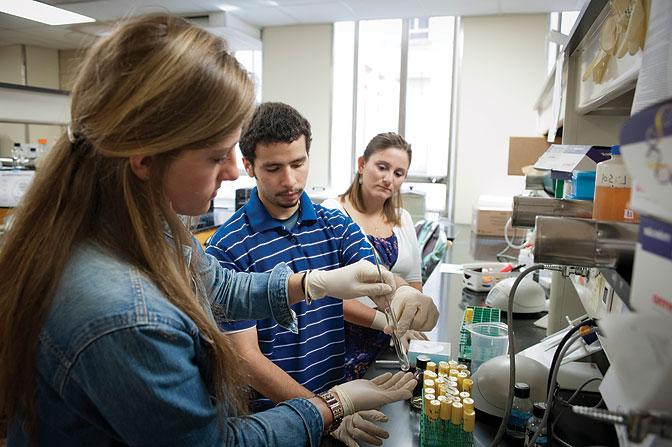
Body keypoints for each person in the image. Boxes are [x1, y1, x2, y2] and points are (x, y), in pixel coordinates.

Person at [0, 14, 418, 447]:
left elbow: (219, 286)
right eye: (217, 156)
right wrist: (329, 407)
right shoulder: (124, 315)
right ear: (144, 159)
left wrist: (311, 283)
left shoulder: (144, 228)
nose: (235, 172)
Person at [206, 102, 438, 446]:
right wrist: (325, 413)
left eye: (298, 164)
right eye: (273, 168)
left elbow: (373, 275)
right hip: (273, 423)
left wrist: (402, 294)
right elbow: (247, 360)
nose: (290, 180)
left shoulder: (335, 223)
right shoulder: (228, 246)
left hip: (337, 400)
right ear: (248, 166)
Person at [322, 132, 428, 378]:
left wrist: (409, 323)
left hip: (393, 344)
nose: (389, 179)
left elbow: (414, 282)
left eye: (398, 173)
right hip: (343, 343)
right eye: (382, 167)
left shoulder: (404, 219)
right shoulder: (332, 212)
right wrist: (385, 323)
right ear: (361, 165)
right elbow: (326, 295)